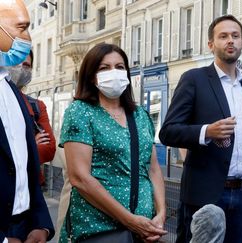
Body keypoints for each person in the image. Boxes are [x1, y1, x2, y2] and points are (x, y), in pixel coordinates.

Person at [159, 15, 242, 243]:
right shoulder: (194, 79)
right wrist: (206, 131)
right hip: (204, 194)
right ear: (211, 44)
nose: (230, 41)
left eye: (235, 36)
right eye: (223, 36)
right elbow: (168, 131)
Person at [58, 43, 167, 242]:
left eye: (119, 67)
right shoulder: (81, 112)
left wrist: (160, 215)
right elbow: (79, 177)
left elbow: (152, 169)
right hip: (98, 229)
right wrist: (129, 220)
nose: (113, 73)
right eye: (104, 68)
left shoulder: (140, 115)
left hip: (144, 229)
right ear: (92, 76)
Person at [0, 0, 55, 242]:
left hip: (24, 228)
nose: (27, 37)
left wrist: (40, 223)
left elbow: (27, 167)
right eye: (22, 28)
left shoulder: (12, 92)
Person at [8, 50, 56, 185]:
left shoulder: (37, 106)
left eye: (26, 65)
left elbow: (49, 149)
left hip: (30, 187)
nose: (21, 69)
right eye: (15, 63)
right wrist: (32, 146)